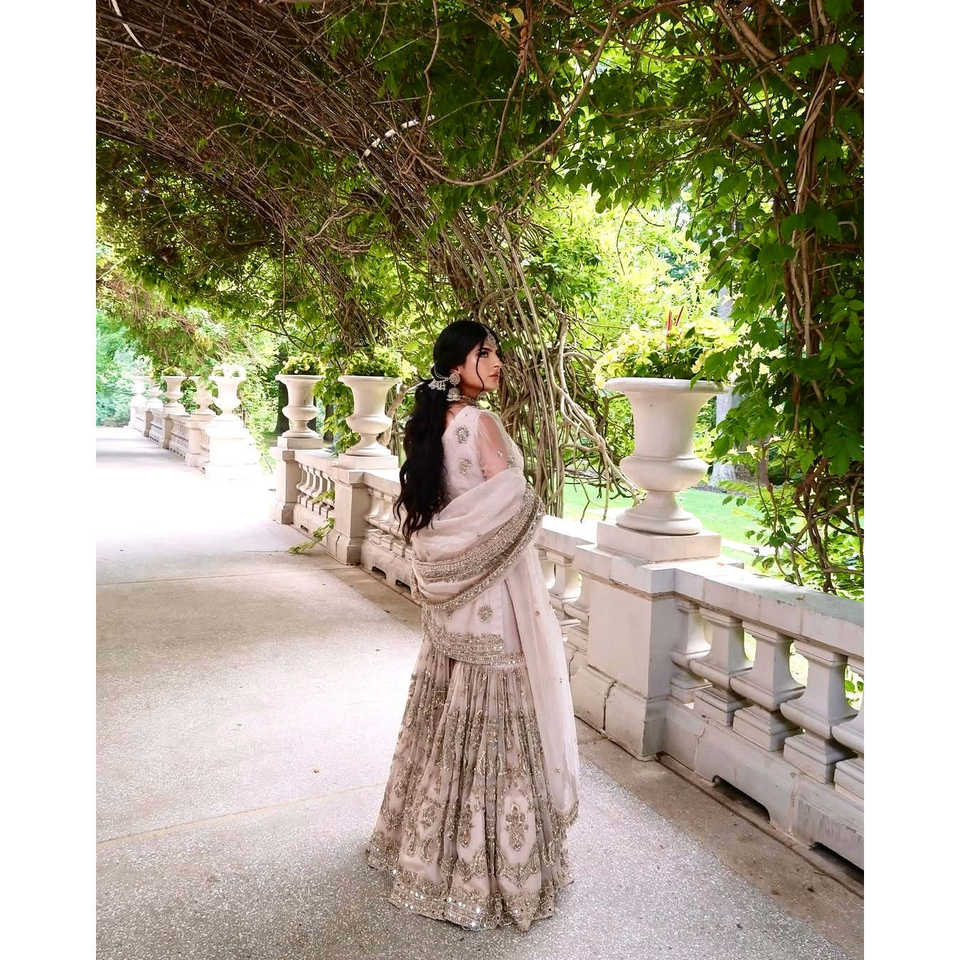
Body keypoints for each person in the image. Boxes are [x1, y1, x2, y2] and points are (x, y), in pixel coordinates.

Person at [365, 319, 580, 932]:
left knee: (444, 712)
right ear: (457, 365)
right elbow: (510, 502)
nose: (498, 362)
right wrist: (530, 498)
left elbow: (441, 508)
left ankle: (420, 847)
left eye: (498, 353)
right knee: (495, 715)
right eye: (486, 354)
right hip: (493, 594)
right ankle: (490, 873)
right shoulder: (479, 423)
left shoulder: (430, 424)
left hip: (450, 601)